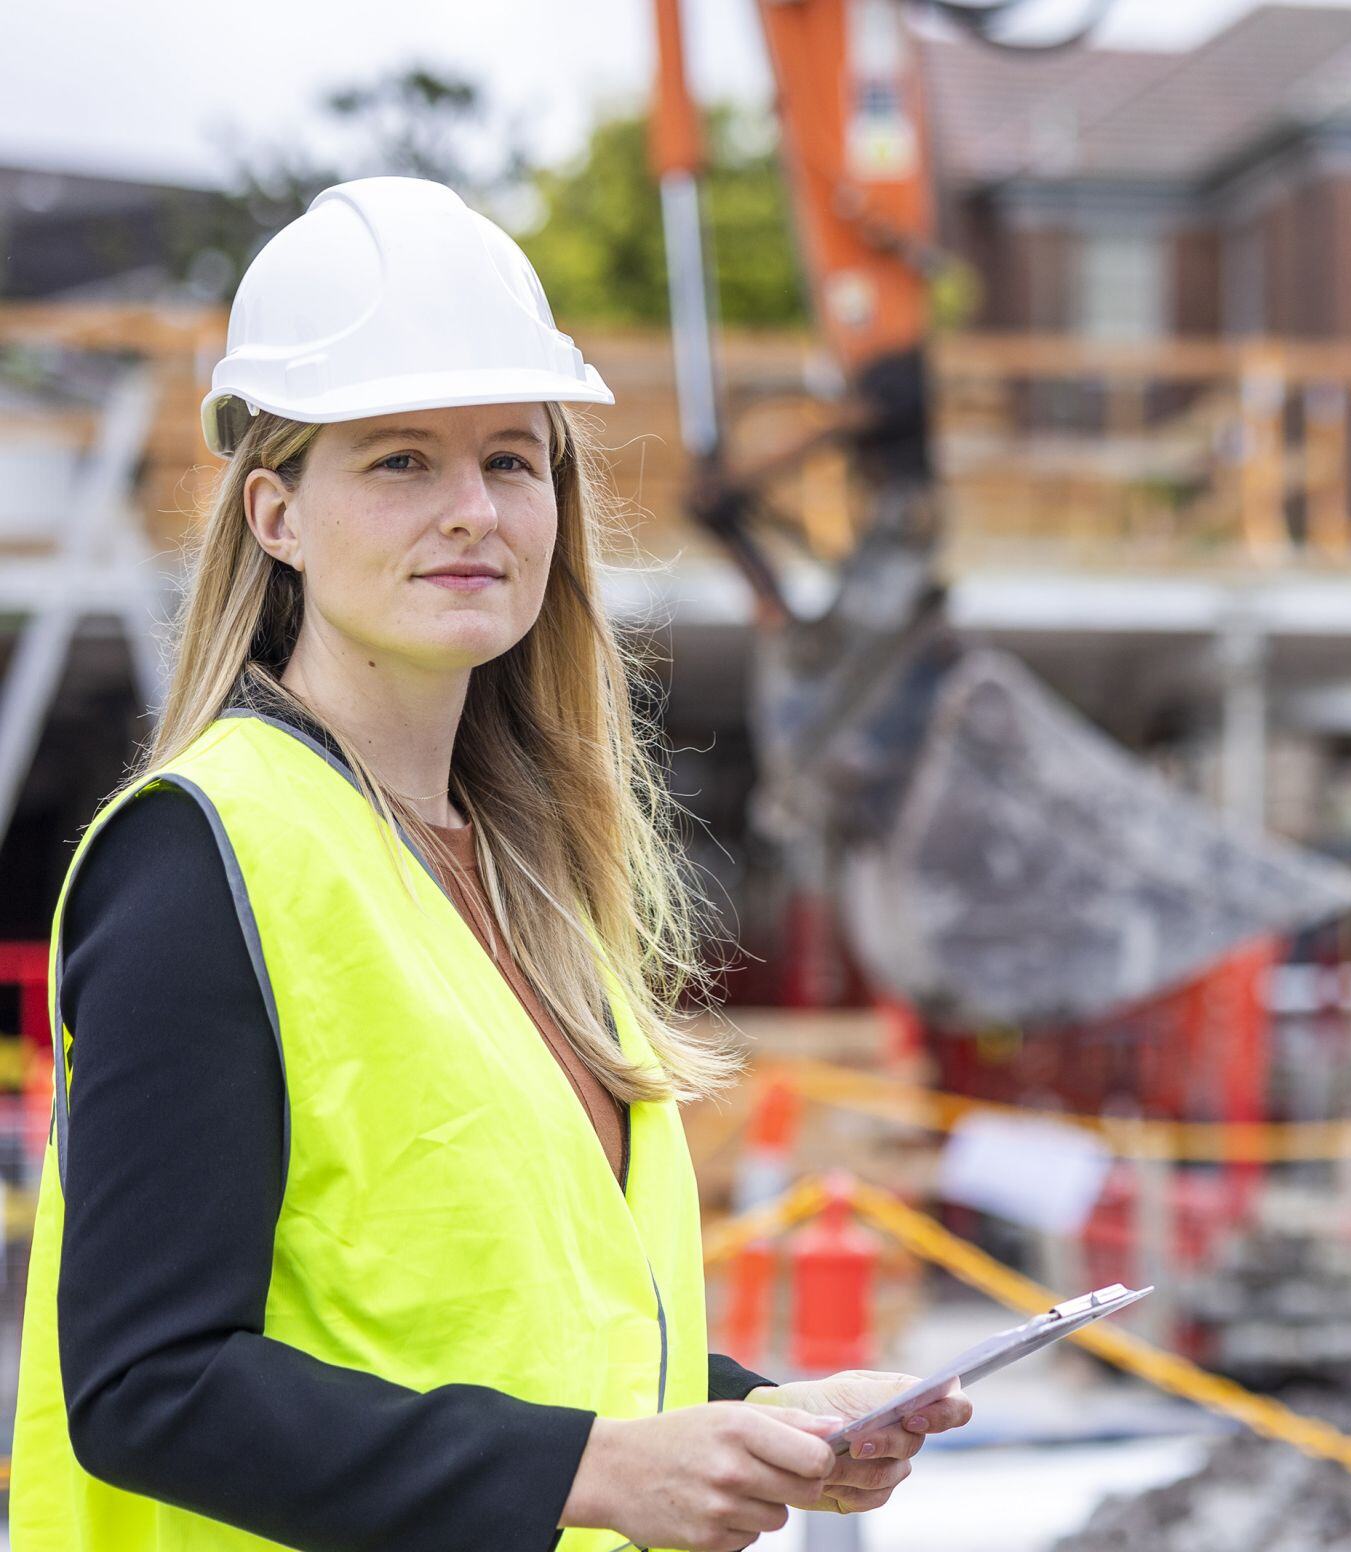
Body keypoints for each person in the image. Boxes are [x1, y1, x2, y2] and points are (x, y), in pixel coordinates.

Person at [8, 175, 968, 1552]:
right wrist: (594, 1474)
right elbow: (149, 1387)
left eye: (512, 460)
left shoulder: (521, 869)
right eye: (401, 459)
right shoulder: (202, 854)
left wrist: (768, 1422)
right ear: (277, 513)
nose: (473, 509)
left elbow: (509, 1329)